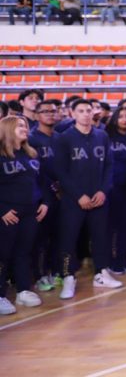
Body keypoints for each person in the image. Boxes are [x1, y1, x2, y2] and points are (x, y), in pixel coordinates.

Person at [53, 99, 122, 300]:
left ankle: (101, 273)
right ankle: (68, 276)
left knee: (101, 237)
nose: (85, 114)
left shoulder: (102, 136)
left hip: (99, 197)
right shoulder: (64, 138)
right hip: (73, 199)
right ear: (72, 114)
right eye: (81, 111)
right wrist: (78, 195)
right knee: (69, 238)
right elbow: (61, 171)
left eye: (88, 110)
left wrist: (103, 191)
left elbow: (109, 165)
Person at [0, 116, 50, 315]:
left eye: (25, 126)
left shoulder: (31, 154)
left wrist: (45, 202)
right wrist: (1, 210)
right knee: (3, 255)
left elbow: (43, 181)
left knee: (24, 252)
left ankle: (23, 290)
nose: (25, 128)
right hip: (8, 214)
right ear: (7, 129)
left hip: (30, 212)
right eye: (19, 126)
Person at [29, 101, 60, 292]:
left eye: (53, 111)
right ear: (36, 115)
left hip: (63, 193)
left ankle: (54, 271)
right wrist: (51, 187)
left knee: (58, 236)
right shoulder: (31, 139)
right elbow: (36, 171)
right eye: (45, 111)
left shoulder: (60, 138)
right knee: (41, 239)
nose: (50, 114)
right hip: (42, 196)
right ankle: (39, 275)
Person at [105, 107, 126, 274]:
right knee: (112, 226)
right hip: (112, 187)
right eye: (121, 116)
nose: (125, 119)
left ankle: (123, 257)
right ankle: (111, 259)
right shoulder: (107, 136)